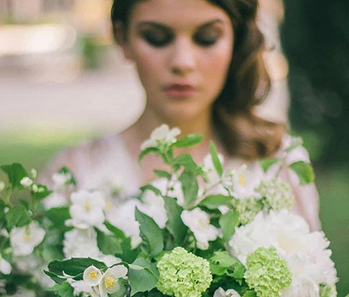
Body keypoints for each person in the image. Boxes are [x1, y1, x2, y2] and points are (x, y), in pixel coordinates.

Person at [43, 0, 320, 231]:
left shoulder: (277, 163)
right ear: (122, 38)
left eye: (206, 38)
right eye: (157, 38)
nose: (182, 62)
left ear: (235, 40)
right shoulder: (74, 176)